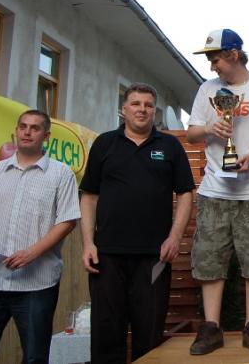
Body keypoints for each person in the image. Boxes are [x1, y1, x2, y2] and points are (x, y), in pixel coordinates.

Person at [186, 29, 249, 355]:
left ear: (233, 54)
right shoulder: (207, 89)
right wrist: (209, 127)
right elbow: (192, 134)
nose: (212, 66)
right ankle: (211, 326)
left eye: (215, 59)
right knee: (210, 259)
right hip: (214, 189)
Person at [80, 83, 194, 363]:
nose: (142, 109)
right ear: (123, 109)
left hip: (154, 257)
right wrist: (88, 243)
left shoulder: (170, 146)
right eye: (135, 104)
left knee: (150, 334)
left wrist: (175, 238)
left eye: (148, 105)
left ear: (154, 111)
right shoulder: (104, 143)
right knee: (106, 333)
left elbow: (186, 193)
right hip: (107, 255)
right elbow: (89, 196)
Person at [0, 109, 79, 364]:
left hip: (36, 283)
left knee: (35, 358)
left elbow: (67, 221)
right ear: (16, 131)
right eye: (23, 126)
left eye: (35, 128)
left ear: (46, 135)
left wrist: (31, 253)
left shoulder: (61, 174)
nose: (27, 132)